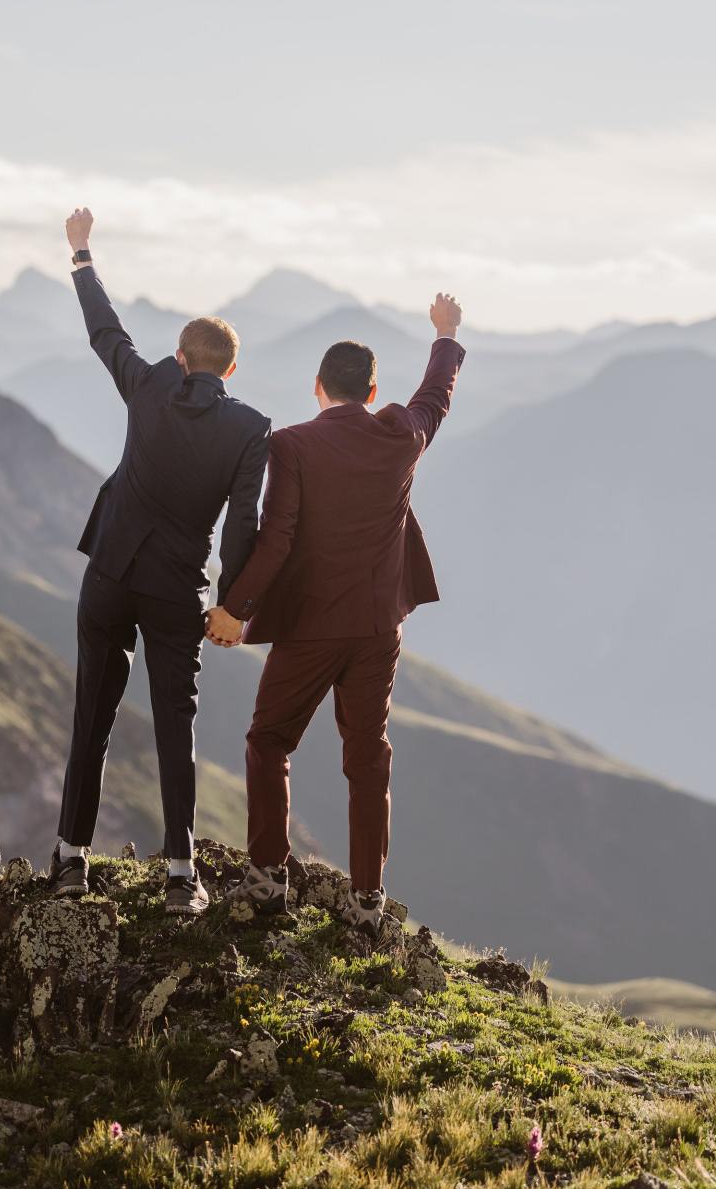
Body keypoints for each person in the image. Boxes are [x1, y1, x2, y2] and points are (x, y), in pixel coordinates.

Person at [205, 293, 465, 933]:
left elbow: (278, 539)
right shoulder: (401, 432)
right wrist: (446, 335)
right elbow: (436, 395)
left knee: (269, 741)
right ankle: (369, 898)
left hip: (311, 630)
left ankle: (268, 878)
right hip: (379, 630)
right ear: (373, 389)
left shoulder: (291, 446)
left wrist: (234, 610)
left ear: (316, 386)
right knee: (367, 756)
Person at [49, 208, 271, 914]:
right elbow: (243, 525)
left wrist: (82, 254)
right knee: (177, 725)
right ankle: (181, 877)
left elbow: (103, 330)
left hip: (110, 576)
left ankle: (70, 862)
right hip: (177, 591)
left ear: (180, 358)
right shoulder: (249, 429)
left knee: (93, 715)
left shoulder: (146, 386)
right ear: (230, 369)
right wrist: (232, 603)